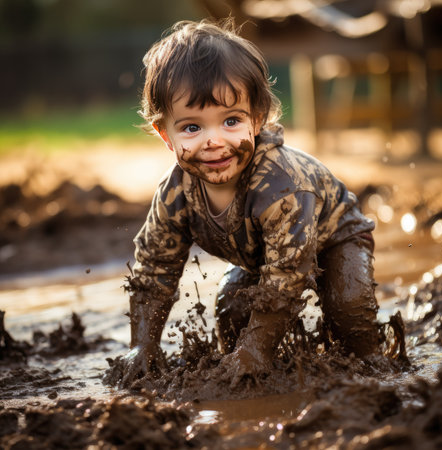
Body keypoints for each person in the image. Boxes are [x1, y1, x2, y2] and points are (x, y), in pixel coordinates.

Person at [120, 19, 380, 387]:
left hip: (336, 237)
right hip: (262, 253)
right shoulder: (175, 193)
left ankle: (373, 371)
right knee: (232, 311)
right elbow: (153, 271)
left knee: (348, 306)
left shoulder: (280, 185)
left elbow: (288, 274)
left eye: (231, 120)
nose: (213, 141)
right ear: (166, 134)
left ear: (257, 120)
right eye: (192, 128)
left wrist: (255, 349)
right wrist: (141, 347)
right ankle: (258, 375)